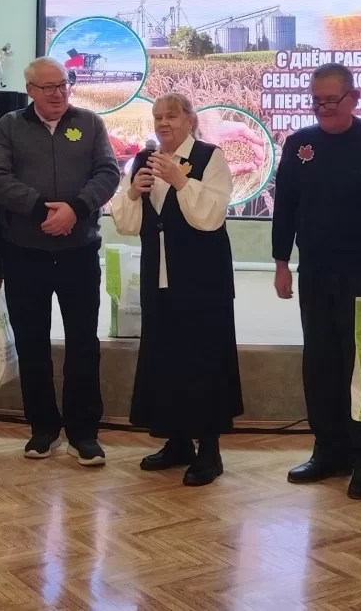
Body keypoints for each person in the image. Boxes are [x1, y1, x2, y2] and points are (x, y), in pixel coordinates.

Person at [271, 62, 361, 499]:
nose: (323, 108)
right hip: (315, 273)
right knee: (321, 365)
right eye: (316, 101)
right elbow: (285, 206)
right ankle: (328, 451)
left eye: (332, 100)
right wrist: (280, 262)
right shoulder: (299, 144)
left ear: (355, 98)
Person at [0, 56, 120, 466]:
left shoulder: (89, 123)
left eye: (63, 84)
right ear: (30, 90)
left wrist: (75, 209)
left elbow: (108, 172)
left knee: (83, 343)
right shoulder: (9, 126)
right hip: (25, 253)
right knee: (32, 343)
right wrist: (43, 208)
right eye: (48, 87)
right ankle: (43, 429)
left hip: (79, 252)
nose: (59, 93)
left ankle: (84, 433)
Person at [111, 93, 243, 486]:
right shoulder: (143, 159)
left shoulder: (209, 157)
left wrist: (180, 181)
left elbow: (211, 217)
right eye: (157, 117)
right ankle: (177, 442)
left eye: (171, 116)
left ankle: (210, 451)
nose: (163, 123)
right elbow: (127, 224)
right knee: (165, 359)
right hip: (159, 278)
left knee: (203, 361)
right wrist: (133, 192)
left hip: (203, 281)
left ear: (189, 120)